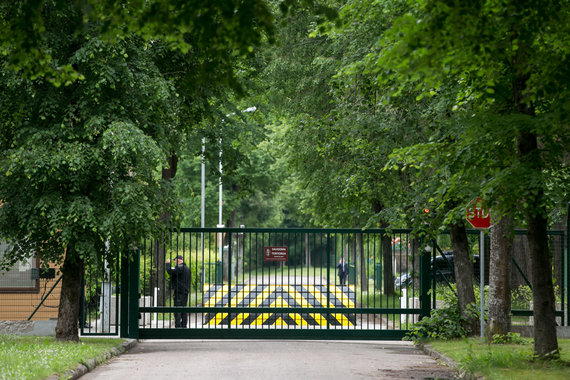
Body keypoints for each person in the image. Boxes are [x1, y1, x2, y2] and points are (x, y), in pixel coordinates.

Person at [166, 255, 191, 328]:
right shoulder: (187, 268)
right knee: (184, 309)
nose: (174, 262)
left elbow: (170, 271)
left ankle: (178, 326)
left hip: (179, 291)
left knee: (177, 309)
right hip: (185, 291)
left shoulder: (180, 268)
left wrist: (167, 264)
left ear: (178, 260)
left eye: (175, 260)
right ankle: (184, 325)